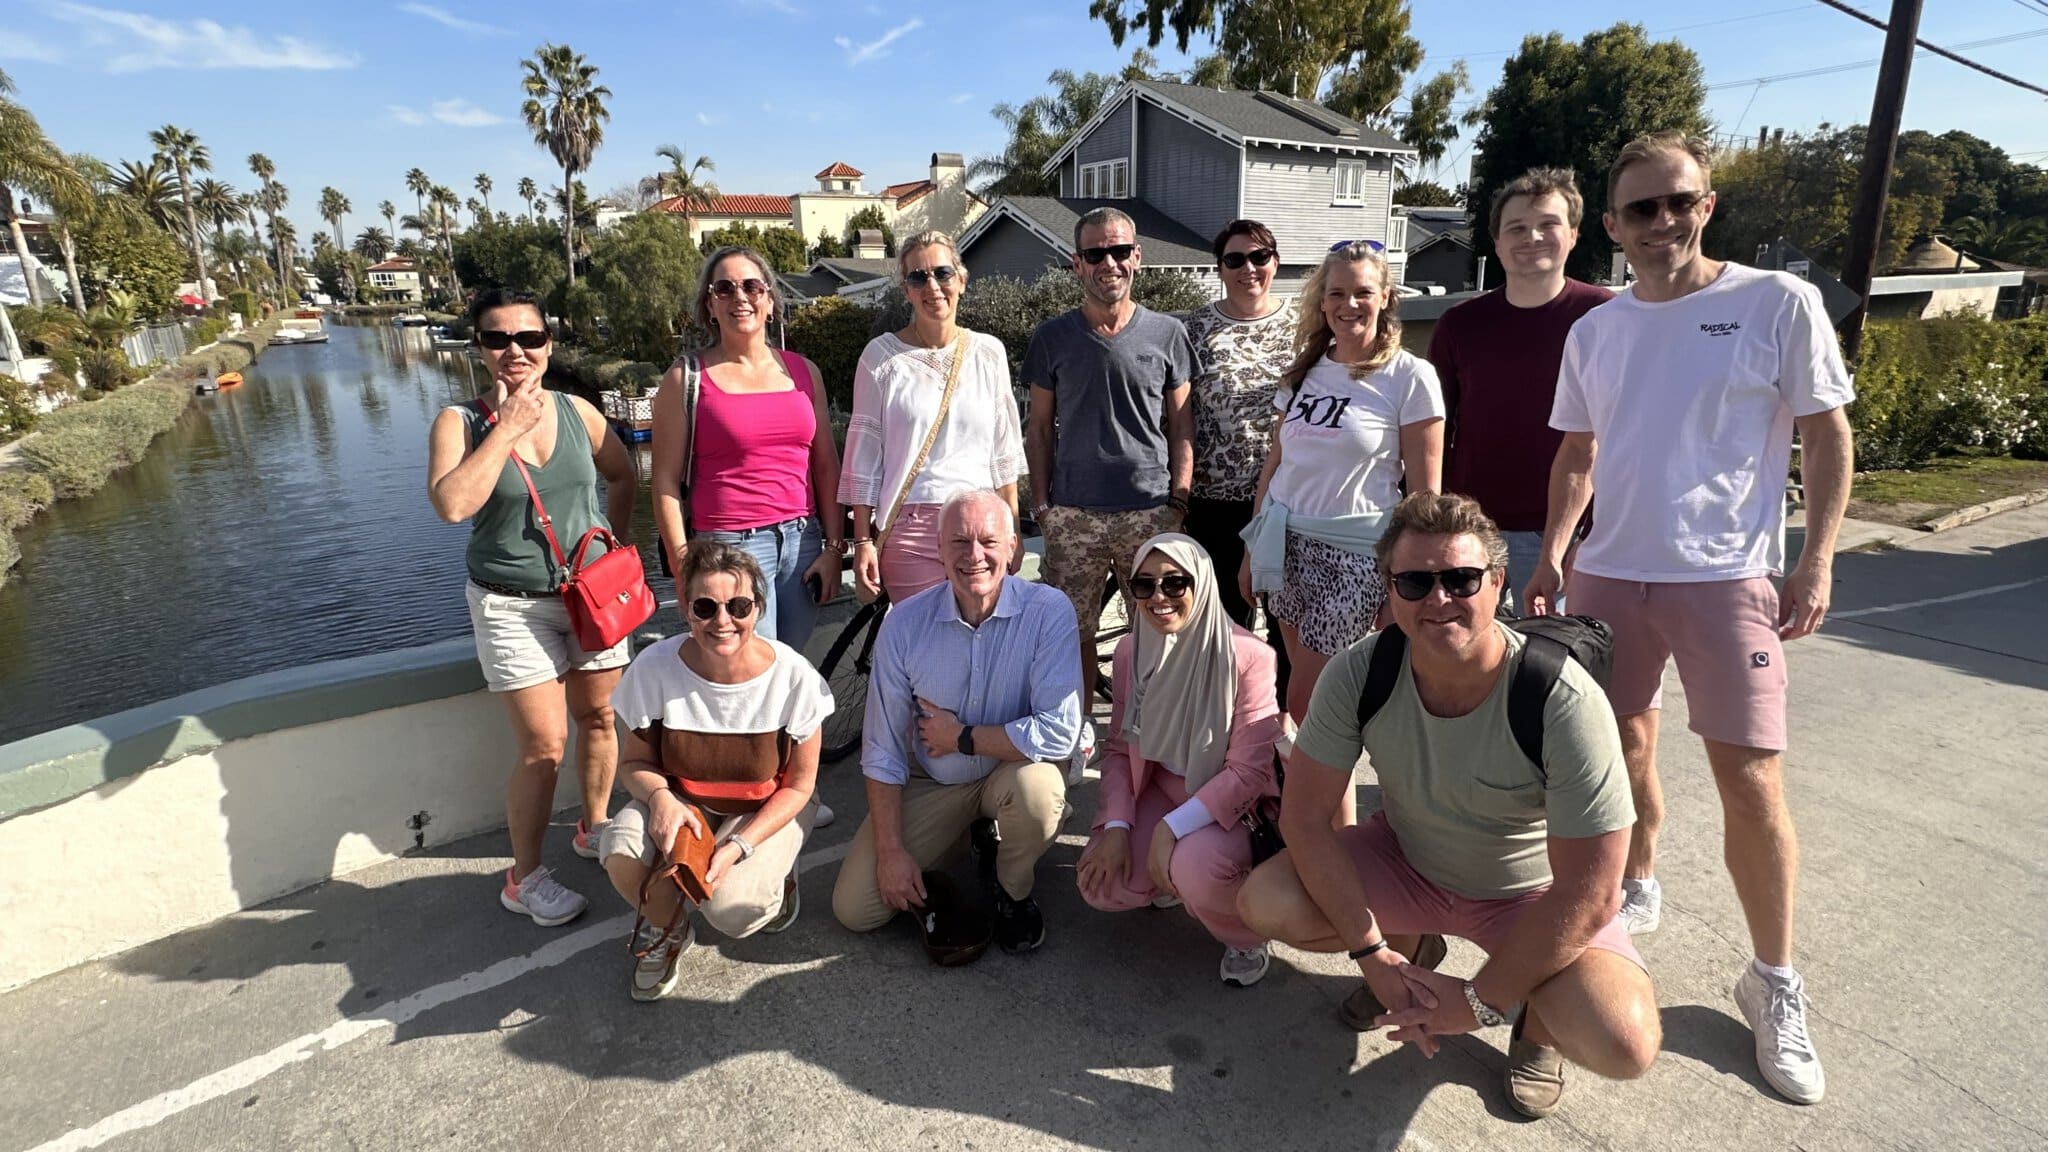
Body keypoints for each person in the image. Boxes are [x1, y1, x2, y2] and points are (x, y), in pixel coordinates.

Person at [1523, 130, 1854, 1105]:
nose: (1662, 222)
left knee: (1749, 782)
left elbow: (1824, 433)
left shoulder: (1773, 303)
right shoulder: (1595, 330)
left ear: (1705, 204)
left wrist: (1817, 556)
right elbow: (1576, 453)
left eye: (1680, 202)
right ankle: (1633, 877)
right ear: (1613, 226)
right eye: (1640, 209)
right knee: (1609, 755)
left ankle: (1773, 982)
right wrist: (1550, 548)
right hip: (1607, 576)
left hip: (1725, 580)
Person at [1239, 492, 1660, 1119]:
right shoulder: (1363, 670)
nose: (1437, 599)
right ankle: (1408, 955)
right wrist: (1368, 952)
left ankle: (1534, 1024)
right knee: (1262, 901)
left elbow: (1593, 890)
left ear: (1497, 583)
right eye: (1413, 581)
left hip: (1529, 896)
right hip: (1407, 863)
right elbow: (1303, 818)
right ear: (1390, 590)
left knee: (1621, 1041)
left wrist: (1481, 1001)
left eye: (1460, 579)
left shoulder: (1559, 697)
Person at [426, 287, 637, 927]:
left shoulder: (578, 411)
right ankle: (523, 876)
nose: (515, 349)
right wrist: (507, 428)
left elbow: (625, 475)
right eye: (498, 338)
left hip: (590, 598)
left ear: (549, 344)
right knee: (544, 748)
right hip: (512, 605)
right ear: (480, 348)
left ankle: (593, 827)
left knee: (601, 719)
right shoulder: (458, 422)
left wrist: (615, 550)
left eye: (529, 337)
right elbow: (453, 504)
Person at [831, 489, 1084, 953]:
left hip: (1010, 775)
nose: (975, 556)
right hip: (933, 781)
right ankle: (969, 843)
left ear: (1013, 548)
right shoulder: (904, 624)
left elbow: (1061, 732)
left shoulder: (1048, 612)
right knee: (857, 908)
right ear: (939, 549)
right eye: (959, 542)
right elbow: (882, 747)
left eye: (989, 541)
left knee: (1039, 793)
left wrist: (962, 738)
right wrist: (890, 852)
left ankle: (1010, 889)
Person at [598, 540, 832, 1001]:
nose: (722, 621)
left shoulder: (794, 678)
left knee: (732, 912)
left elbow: (801, 784)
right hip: (687, 804)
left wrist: (740, 846)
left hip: (765, 805)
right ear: (686, 610)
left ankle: (780, 878)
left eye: (738, 606)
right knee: (619, 848)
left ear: (758, 608)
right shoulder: (655, 669)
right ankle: (669, 928)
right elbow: (634, 764)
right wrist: (661, 799)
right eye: (705, 607)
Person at [1240, 240, 1444, 727]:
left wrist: (1409, 583)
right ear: (1322, 299)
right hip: (1287, 546)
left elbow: (1424, 495)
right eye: (1336, 293)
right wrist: (1251, 551)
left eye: (1362, 292)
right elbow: (1275, 466)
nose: (1348, 305)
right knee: (1318, 703)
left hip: (1356, 557)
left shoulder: (1410, 377)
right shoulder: (1304, 371)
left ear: (1386, 297)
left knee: (1309, 704)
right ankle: (1326, 803)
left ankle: (1312, 801)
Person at [1023, 206, 1196, 771]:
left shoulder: (1169, 334)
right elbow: (1038, 430)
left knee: (1161, 628)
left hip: (1150, 512)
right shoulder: (1051, 338)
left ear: (1137, 258)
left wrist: (1179, 500)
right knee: (1071, 631)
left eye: (1120, 251)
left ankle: (1155, 736)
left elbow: (1182, 427)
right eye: (1095, 253)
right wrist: (1043, 506)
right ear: (1077, 264)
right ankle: (1076, 738)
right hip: (1074, 514)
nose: (1109, 263)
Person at [1075, 533, 1283, 987]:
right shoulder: (1133, 651)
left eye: (1175, 583)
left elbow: (1248, 772)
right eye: (1144, 585)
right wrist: (1115, 829)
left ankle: (1245, 934)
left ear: (1202, 584)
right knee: (1101, 882)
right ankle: (1165, 877)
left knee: (1195, 867)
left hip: (1231, 805)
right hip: (1161, 788)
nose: (1159, 597)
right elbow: (1116, 749)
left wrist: (1169, 831)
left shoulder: (1250, 657)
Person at [1426, 168, 1613, 611]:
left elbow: (1627, 437)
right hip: (1469, 534)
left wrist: (1590, 535)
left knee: (1551, 666)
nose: (1532, 236)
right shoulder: (1460, 324)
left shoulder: (1607, 318)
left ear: (1572, 234)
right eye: (1516, 227)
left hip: (1567, 538)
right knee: (1468, 667)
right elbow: (1434, 431)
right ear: (1497, 243)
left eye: (1548, 224)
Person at [651, 244, 845, 649]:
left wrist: (832, 547)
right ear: (710, 305)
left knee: (788, 670)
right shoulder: (687, 378)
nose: (740, 297)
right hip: (727, 547)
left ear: (770, 301)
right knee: (746, 672)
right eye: (725, 288)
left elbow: (825, 465)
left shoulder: (804, 371)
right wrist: (683, 565)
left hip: (801, 542)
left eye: (752, 287)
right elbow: (665, 482)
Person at [840, 230, 1025, 602]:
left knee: (984, 644)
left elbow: (1003, 455)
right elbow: (863, 458)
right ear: (906, 290)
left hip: (982, 525)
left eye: (942, 273)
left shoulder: (989, 353)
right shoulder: (881, 357)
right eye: (917, 277)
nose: (932, 286)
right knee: (929, 647)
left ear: (961, 280)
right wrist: (863, 541)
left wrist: (1012, 532)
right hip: (911, 529)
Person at [1180, 220, 1294, 632]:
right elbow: (1178, 416)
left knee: (1288, 621)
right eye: (1235, 259)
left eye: (1259, 257)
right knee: (1226, 625)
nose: (1249, 267)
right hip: (1215, 502)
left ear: (1275, 263)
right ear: (1220, 269)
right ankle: (1232, 699)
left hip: (1287, 497)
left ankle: (1286, 699)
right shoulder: (1193, 330)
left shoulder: (1306, 327)